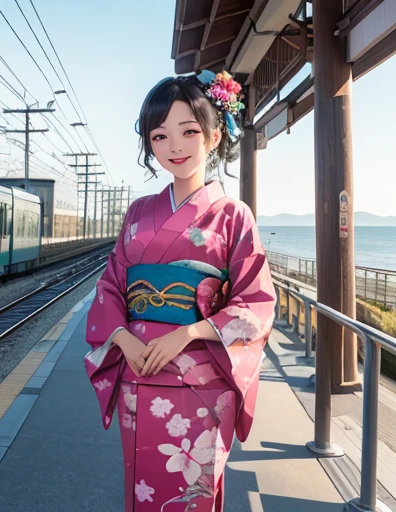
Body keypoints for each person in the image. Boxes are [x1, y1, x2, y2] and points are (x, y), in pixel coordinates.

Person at [84, 71, 277, 511]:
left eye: (189, 131)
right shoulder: (138, 211)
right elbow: (112, 283)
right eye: (160, 135)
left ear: (213, 135)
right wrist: (122, 336)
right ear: (149, 145)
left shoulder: (233, 215)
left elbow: (257, 301)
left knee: (194, 490)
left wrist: (188, 333)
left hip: (200, 380)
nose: (175, 146)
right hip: (140, 372)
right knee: (143, 484)